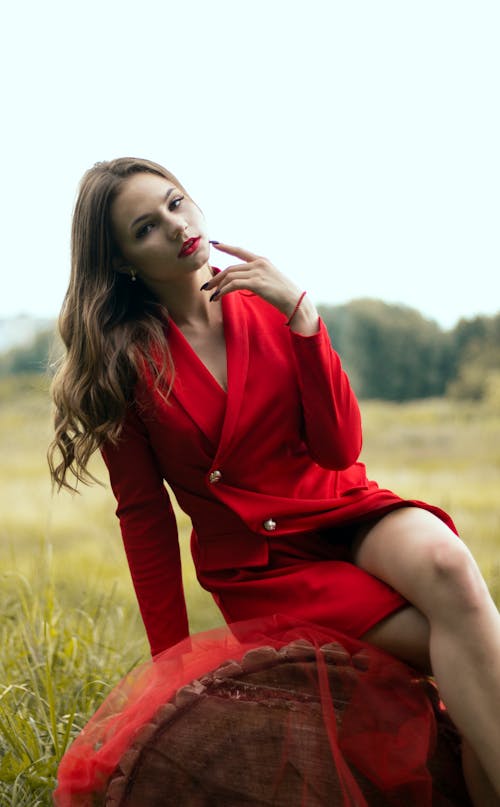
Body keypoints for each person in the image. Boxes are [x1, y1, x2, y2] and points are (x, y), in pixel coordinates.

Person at [48, 157, 500, 803]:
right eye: (147, 227)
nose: (176, 226)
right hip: (264, 564)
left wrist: (303, 316)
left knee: (451, 568)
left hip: (342, 508)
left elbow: (340, 448)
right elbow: (143, 516)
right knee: (471, 649)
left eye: (177, 203)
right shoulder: (127, 362)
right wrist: (169, 665)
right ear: (123, 261)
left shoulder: (267, 304)